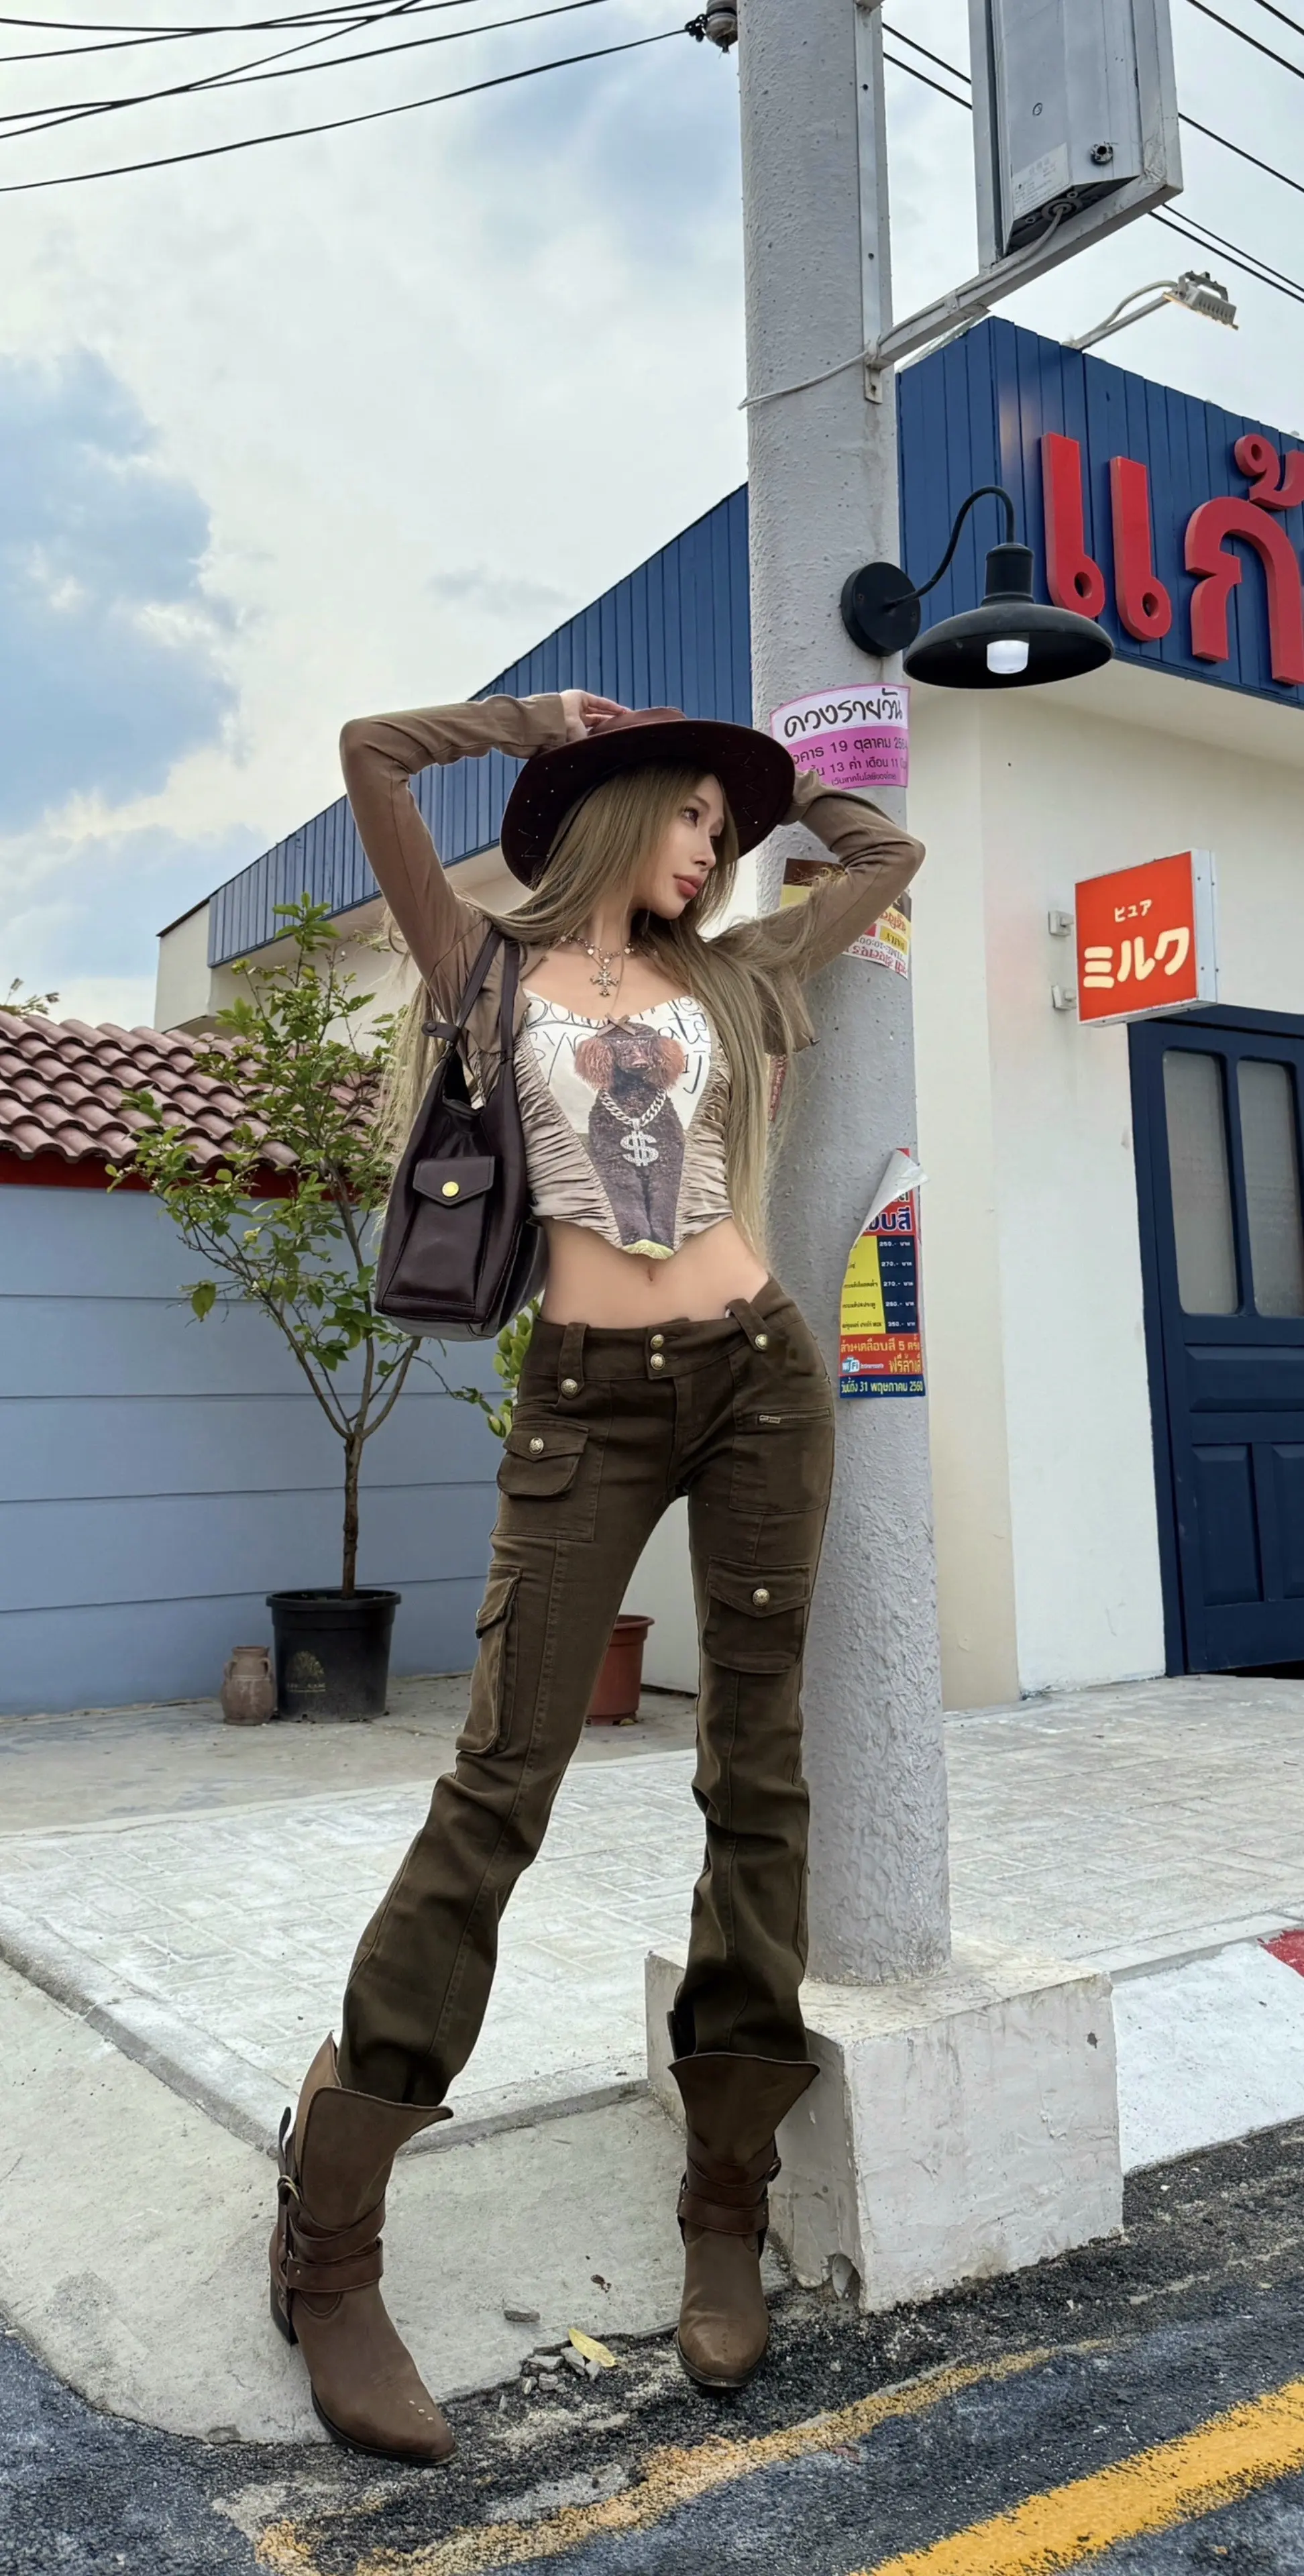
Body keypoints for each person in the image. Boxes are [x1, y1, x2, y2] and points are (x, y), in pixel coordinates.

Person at [269, 688, 924, 2459]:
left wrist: (794, 780)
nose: (713, 845)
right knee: (502, 1784)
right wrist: (535, 724)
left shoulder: (736, 973)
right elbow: (370, 755)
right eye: (691, 812)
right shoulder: (483, 968)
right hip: (585, 1406)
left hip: (760, 1377)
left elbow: (891, 853)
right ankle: (331, 2237)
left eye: (725, 821)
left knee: (756, 1776)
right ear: (616, 804)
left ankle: (726, 2204)